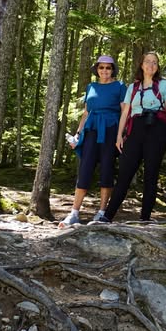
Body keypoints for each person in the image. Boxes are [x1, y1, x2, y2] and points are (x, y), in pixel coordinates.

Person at [100, 51, 166, 223]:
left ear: (157, 67)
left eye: (155, 62)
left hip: (157, 130)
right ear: (141, 65)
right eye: (147, 62)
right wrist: (119, 136)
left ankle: (145, 218)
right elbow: (125, 112)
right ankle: (108, 216)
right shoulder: (133, 87)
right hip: (136, 130)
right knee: (125, 173)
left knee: (151, 174)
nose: (151, 65)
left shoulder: (164, 85)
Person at [62, 55, 126, 226]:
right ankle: (74, 212)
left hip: (110, 130)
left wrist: (121, 135)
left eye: (108, 67)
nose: (104, 70)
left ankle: (102, 213)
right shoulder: (91, 86)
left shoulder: (119, 86)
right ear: (97, 69)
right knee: (85, 169)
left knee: (107, 169)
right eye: (101, 67)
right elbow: (86, 112)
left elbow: (124, 112)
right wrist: (77, 134)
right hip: (91, 130)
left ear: (113, 70)